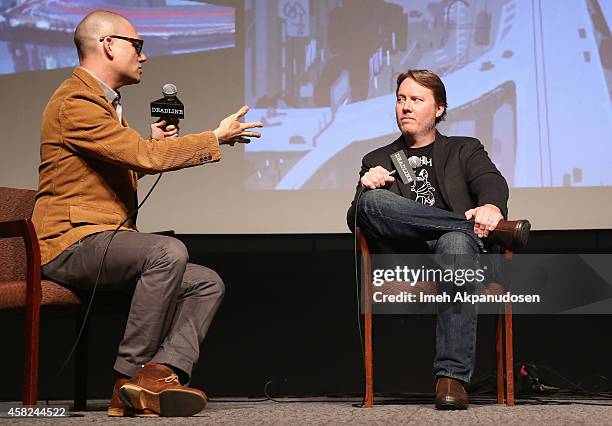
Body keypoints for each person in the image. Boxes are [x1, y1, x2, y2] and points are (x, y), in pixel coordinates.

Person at [31, 10, 263, 417]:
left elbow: (125, 159)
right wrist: (214, 138)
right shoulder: (77, 100)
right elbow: (142, 156)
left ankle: (157, 374)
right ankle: (129, 376)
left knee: (205, 283)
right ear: (108, 45)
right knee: (166, 252)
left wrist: (146, 146)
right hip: (70, 243)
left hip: (100, 241)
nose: (144, 56)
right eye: (137, 45)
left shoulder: (102, 103)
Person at [347, 69, 530, 410]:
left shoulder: (464, 149)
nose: (406, 107)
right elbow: (357, 217)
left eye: (416, 99)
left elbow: (492, 182)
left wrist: (490, 206)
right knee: (371, 203)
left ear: (440, 109)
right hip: (410, 257)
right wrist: (366, 186)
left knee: (455, 244)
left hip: (459, 256)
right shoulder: (377, 159)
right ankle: (460, 225)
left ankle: (451, 379)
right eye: (401, 99)